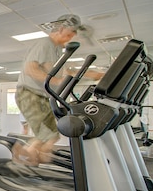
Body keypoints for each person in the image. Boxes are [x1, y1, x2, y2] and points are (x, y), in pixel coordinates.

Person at [14, 14, 102, 165]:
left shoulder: (56, 50)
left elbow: (67, 72)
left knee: (54, 136)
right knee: (47, 135)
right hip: (29, 94)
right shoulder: (45, 44)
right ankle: (22, 159)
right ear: (60, 29)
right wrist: (58, 81)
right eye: (68, 35)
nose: (69, 39)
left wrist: (97, 75)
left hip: (42, 96)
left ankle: (35, 158)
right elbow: (31, 69)